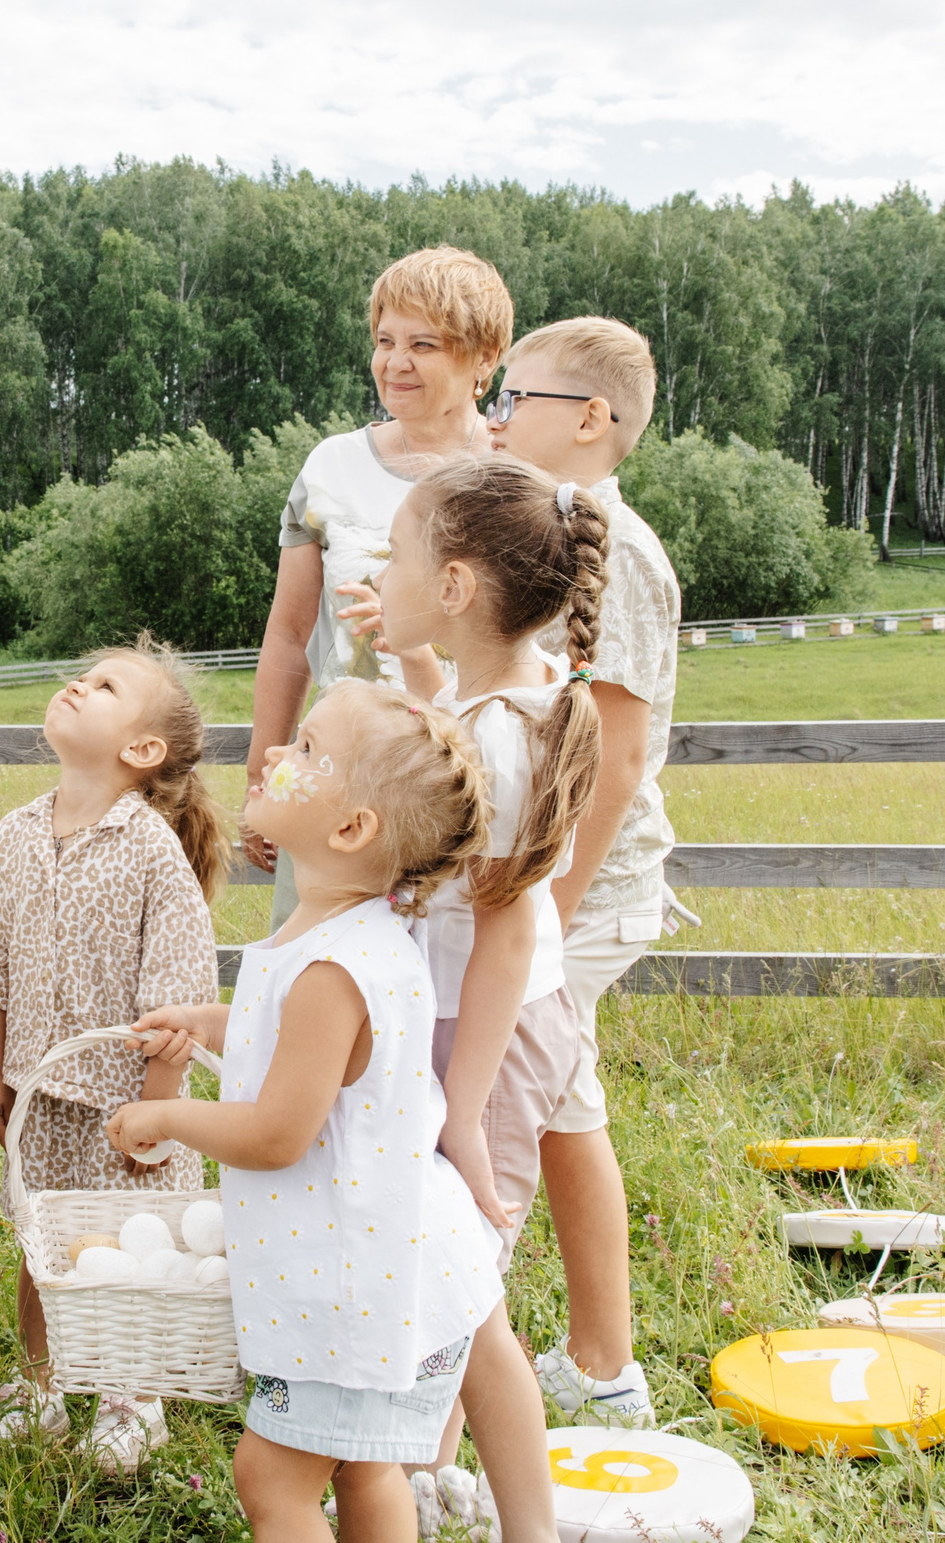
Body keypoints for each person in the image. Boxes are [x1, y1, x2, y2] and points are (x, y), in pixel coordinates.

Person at [105, 682, 550, 1543]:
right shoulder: (357, 939)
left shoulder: (328, 970)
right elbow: (320, 1058)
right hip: (391, 1254)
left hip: (346, 1282)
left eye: (308, 751)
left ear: (350, 830)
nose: (278, 755)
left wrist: (166, 1120)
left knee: (271, 1475)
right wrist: (212, 1024)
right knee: (364, 1465)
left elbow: (280, 1129)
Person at [373, 454, 607, 1492]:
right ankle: (436, 1470)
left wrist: (459, 1112)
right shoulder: (510, 701)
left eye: (393, 561)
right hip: (480, 1027)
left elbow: (505, 932)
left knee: (456, 1272)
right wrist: (424, 675)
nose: (380, 579)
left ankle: (427, 1480)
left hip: (489, 1043)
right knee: (445, 1265)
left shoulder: (499, 741)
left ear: (456, 590)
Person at [483, 317, 683, 1427]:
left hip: (584, 893)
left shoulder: (621, 551)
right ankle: (604, 1368)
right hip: (543, 889)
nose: (499, 419)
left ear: (593, 421)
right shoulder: (554, 533)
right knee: (566, 1102)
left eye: (520, 401)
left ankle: (478, 1357)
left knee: (518, 1101)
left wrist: (547, 915)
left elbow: (615, 757)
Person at [0, 644, 223, 1472]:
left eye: (104, 684)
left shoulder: (150, 851)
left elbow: (176, 1004)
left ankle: (131, 1397)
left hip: (124, 1107)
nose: (77, 682)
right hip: (41, 1092)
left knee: (126, 1247)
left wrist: (154, 1115)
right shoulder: (15, 832)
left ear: (141, 751)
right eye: (81, 673)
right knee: (42, 1245)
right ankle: (40, 1382)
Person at [247, 248, 509, 932]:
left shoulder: (516, 475)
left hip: (467, 786)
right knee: (316, 985)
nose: (396, 362)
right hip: (339, 781)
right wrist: (263, 768)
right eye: (385, 341)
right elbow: (289, 637)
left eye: (423, 344)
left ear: (485, 356)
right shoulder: (329, 466)